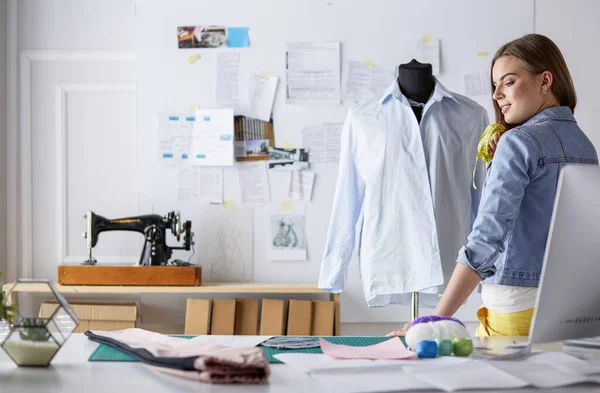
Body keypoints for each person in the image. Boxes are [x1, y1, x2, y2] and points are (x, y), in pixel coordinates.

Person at [388, 33, 598, 337]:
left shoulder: (518, 142)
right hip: (572, 306)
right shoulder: (585, 146)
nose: (497, 94)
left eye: (508, 82)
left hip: (515, 304)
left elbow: (486, 238)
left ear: (545, 80)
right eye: (495, 85)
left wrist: (434, 320)